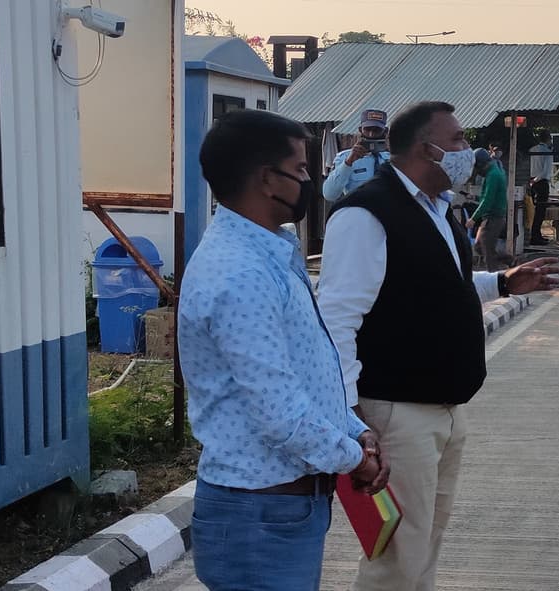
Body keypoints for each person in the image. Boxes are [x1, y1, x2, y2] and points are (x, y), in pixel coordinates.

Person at [316, 101, 559, 591]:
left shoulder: (438, 210)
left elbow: (439, 284)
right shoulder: (367, 214)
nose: (466, 152)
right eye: (455, 141)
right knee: (396, 558)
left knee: (424, 544)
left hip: (445, 410)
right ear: (423, 150)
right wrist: (350, 414)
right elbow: (337, 321)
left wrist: (503, 284)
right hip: (394, 412)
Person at [177, 110, 388, 591]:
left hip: (281, 509)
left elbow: (305, 371)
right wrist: (355, 458)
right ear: (267, 179)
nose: (310, 181)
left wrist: (356, 431)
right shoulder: (241, 274)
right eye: (301, 169)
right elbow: (280, 413)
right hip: (260, 515)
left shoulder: (268, 254)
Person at [322, 109, 389, 202]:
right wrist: (348, 162)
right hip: (358, 212)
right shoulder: (344, 157)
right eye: (367, 129)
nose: (371, 134)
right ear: (360, 130)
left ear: (385, 131)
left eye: (376, 130)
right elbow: (329, 195)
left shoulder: (394, 159)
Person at [467, 147, 508, 271]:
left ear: (481, 165)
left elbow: (488, 200)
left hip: (493, 217)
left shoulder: (493, 175)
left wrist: (473, 218)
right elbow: (487, 196)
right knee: (480, 246)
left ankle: (493, 278)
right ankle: (510, 260)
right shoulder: (494, 171)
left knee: (487, 251)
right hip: (492, 216)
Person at [527, 130, 554, 245]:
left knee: (532, 210)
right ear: (548, 139)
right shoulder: (547, 152)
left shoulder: (531, 150)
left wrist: (531, 181)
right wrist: (536, 179)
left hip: (531, 181)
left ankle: (534, 235)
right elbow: (545, 171)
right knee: (540, 211)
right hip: (541, 182)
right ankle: (536, 236)